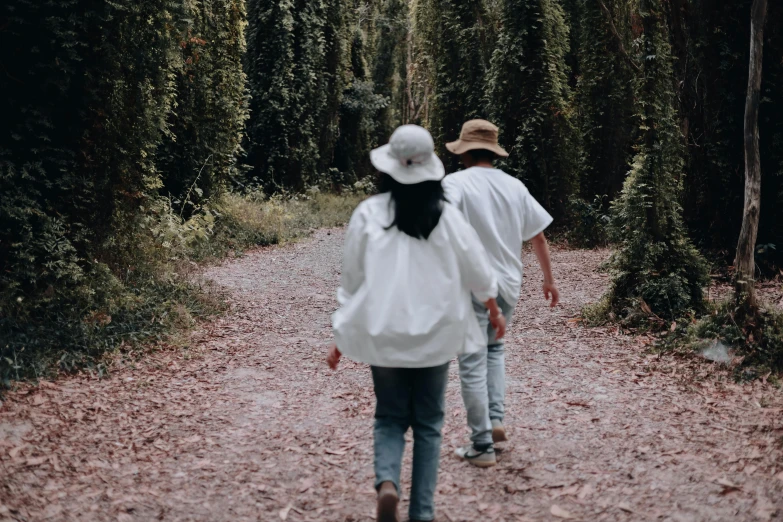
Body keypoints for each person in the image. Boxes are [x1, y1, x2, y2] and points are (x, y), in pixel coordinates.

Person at [326, 124, 506, 522]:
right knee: (428, 423)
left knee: (390, 416)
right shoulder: (446, 215)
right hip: (436, 337)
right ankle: (421, 512)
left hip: (384, 334)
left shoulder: (368, 214)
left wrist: (342, 333)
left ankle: (387, 481)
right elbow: (477, 271)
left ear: (388, 168)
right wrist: (492, 308)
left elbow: (352, 282)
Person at [443, 119, 560, 468]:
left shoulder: (454, 184)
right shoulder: (514, 186)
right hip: (509, 286)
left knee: (471, 361)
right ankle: (495, 420)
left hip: (471, 286)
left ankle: (481, 445)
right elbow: (537, 236)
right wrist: (549, 280)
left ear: (464, 151)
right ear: (493, 151)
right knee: (494, 351)